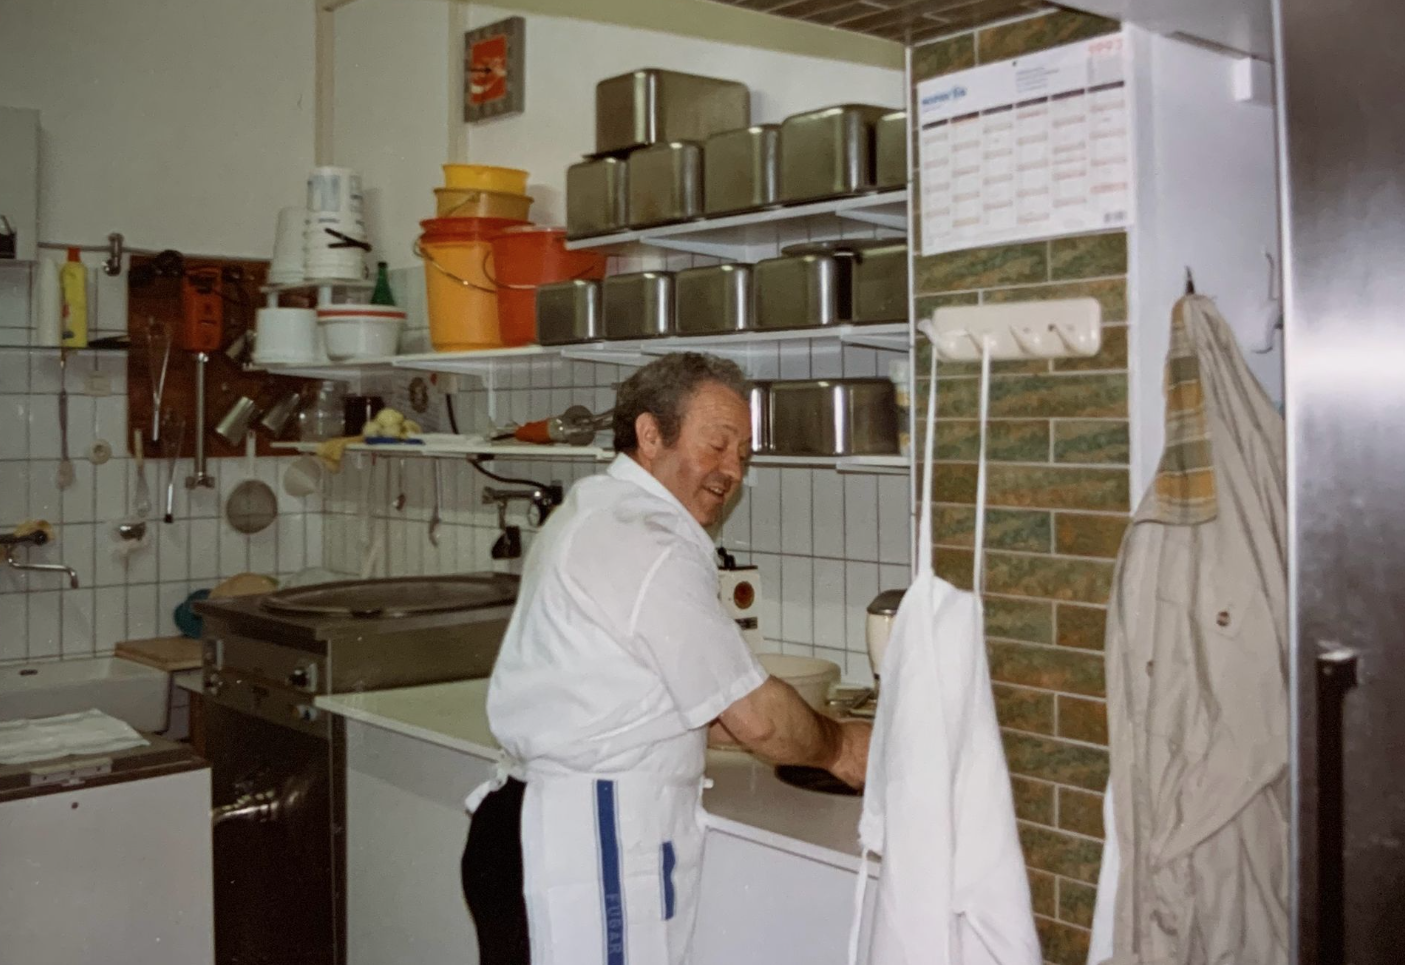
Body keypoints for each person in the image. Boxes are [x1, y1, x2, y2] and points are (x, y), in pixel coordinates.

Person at [461, 352, 871, 965]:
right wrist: (841, 748)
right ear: (651, 435)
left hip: (534, 823)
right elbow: (757, 718)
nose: (732, 470)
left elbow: (677, 697)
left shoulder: (601, 507)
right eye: (717, 445)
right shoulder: (646, 541)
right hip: (585, 840)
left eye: (743, 456)